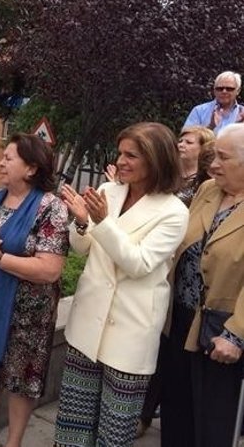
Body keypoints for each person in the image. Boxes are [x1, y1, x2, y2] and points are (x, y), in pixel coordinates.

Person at [54, 122, 189, 446]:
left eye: (132, 155)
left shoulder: (174, 211)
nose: (122, 161)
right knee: (74, 425)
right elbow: (81, 247)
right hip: (88, 323)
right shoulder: (107, 192)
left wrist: (101, 222)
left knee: (114, 430)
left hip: (130, 329)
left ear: (156, 160)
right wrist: (82, 221)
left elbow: (139, 264)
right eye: (121, 153)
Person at [0, 133, 69, 447]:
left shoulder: (50, 208)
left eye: (8, 158)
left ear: (31, 168)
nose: (1, 163)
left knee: (21, 381)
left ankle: (14, 441)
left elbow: (50, 269)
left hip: (27, 315)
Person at [160, 123, 244, 447]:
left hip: (222, 333)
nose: (213, 165)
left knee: (213, 424)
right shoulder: (209, 189)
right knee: (176, 413)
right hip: (182, 319)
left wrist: (236, 333)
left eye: (223, 158)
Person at [137, 125, 216, 436]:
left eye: (189, 140)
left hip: (205, 304)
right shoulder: (181, 183)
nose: (181, 143)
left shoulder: (204, 187)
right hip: (173, 287)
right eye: (179, 139)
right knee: (166, 360)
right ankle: (147, 415)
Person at [183, 71, 244, 135]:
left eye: (229, 89)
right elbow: (187, 138)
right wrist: (210, 127)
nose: (224, 91)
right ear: (214, 91)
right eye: (220, 88)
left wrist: (239, 129)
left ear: (238, 91)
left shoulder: (242, 114)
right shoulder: (199, 111)